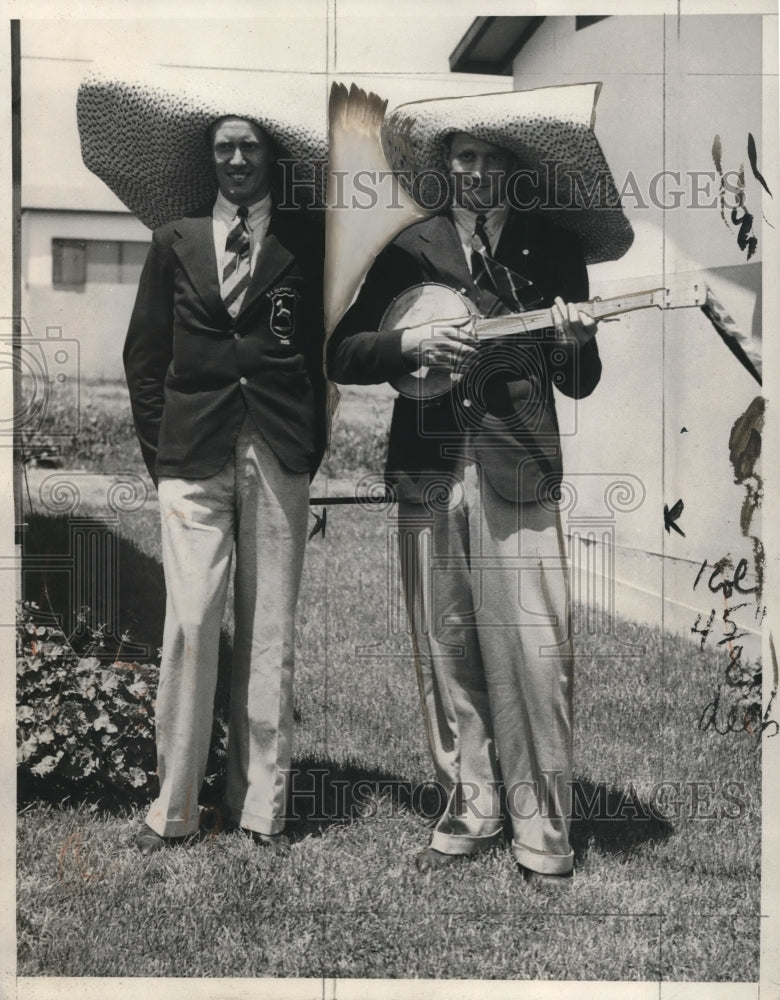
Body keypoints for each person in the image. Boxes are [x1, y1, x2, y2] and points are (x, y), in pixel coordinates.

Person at [326, 102, 620, 883]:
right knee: (448, 646)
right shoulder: (409, 248)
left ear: (511, 168)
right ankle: (471, 802)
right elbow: (343, 351)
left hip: (515, 468)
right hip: (428, 471)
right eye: (463, 157)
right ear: (445, 165)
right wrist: (409, 341)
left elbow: (580, 381)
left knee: (534, 647)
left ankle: (542, 828)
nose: (477, 172)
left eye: (491, 158)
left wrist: (575, 343)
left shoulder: (548, 250)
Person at [124, 114, 326, 854]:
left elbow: (320, 357)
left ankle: (260, 806)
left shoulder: (306, 241)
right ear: (209, 158)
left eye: (250, 146)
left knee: (270, 630)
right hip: (192, 456)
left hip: (276, 452)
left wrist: (305, 447)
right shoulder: (173, 241)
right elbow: (144, 360)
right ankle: (173, 807)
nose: (237, 159)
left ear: (272, 155)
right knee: (189, 625)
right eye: (224, 148)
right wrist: (162, 458)